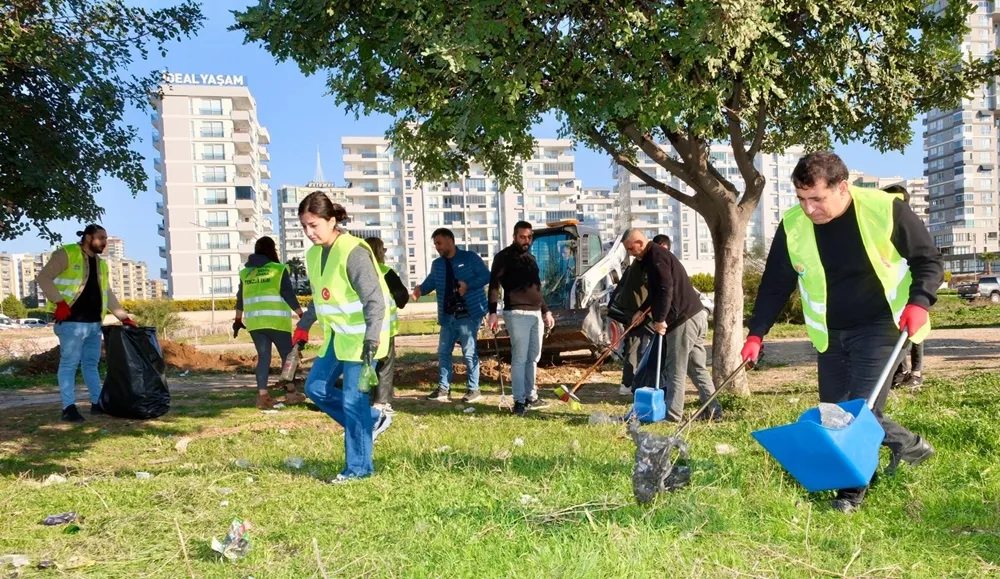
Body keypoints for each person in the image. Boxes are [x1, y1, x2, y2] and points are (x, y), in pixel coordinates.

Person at [741, 152, 941, 513]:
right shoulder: (793, 225)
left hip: (883, 324)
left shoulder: (885, 209)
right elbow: (774, 284)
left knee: (858, 415)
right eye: (801, 199)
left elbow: (928, 260)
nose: (809, 208)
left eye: (816, 198)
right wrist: (756, 333)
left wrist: (920, 300)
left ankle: (850, 495)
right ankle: (909, 445)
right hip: (831, 332)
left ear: (842, 187)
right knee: (834, 413)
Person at [293, 193, 394, 483]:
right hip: (338, 336)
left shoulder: (354, 251)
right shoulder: (313, 255)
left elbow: (375, 301)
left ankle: (359, 469)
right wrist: (304, 325)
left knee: (352, 402)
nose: (309, 233)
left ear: (332, 220)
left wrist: (372, 341)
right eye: (304, 226)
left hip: (364, 339)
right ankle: (373, 420)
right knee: (315, 388)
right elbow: (319, 298)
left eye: (314, 225)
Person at [35, 224, 136, 422]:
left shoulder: (101, 264)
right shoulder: (67, 253)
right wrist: (60, 303)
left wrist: (123, 317)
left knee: (91, 364)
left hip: (93, 323)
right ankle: (68, 408)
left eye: (106, 239)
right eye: (101, 238)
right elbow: (43, 278)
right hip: (70, 322)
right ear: (88, 237)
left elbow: (106, 292)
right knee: (69, 364)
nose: (105, 243)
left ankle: (97, 404)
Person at [623, 229, 722, 422]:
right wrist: (642, 311)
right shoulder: (653, 257)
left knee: (675, 368)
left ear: (639, 242)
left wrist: (660, 319)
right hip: (696, 315)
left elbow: (665, 288)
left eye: (630, 248)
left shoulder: (656, 257)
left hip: (683, 320)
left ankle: (672, 415)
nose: (630, 253)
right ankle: (713, 410)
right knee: (696, 367)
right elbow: (656, 293)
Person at [411, 228, 490, 403]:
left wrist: (467, 285)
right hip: (447, 316)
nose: (437, 247)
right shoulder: (437, 264)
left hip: (468, 313)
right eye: (435, 244)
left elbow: (486, 276)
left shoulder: (470, 258)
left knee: (469, 352)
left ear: (450, 241)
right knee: (443, 352)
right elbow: (432, 281)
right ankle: (443, 388)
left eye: (439, 243)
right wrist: (420, 290)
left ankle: (473, 389)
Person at [487, 221, 555, 415]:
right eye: (522, 237)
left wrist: (546, 311)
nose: (526, 240)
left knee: (533, 357)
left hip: (536, 314)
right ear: (514, 236)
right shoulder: (503, 257)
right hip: (516, 313)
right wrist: (492, 312)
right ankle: (518, 401)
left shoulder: (531, 259)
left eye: (529, 237)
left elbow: (537, 290)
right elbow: (494, 286)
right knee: (520, 357)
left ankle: (530, 396)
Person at [233, 236, 305, 410]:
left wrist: (237, 319)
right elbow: (288, 293)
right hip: (276, 321)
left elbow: (240, 298)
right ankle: (291, 393)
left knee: (264, 358)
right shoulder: (278, 269)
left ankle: (263, 397)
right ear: (272, 250)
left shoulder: (246, 273)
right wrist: (302, 315)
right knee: (288, 357)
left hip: (255, 323)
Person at [882, 185, 926, 390]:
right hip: (890, 287)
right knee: (894, 329)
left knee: (915, 330)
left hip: (911, 287)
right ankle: (901, 371)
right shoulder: (881, 226)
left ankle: (916, 372)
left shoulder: (912, 224)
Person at [365, 237, 410, 414]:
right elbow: (402, 297)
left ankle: (365, 399)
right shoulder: (386, 272)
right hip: (384, 329)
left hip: (361, 328)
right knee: (385, 364)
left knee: (366, 363)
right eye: (383, 249)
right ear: (379, 252)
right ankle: (381, 402)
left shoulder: (354, 273)